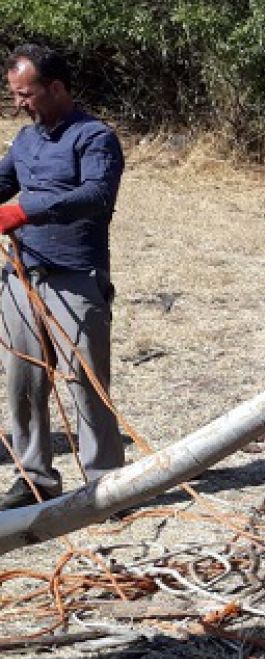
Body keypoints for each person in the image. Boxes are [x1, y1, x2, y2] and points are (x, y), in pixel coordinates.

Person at [0, 44, 125, 511]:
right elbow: (4, 180)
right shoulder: (26, 139)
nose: (19, 104)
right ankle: (35, 477)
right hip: (22, 278)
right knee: (24, 381)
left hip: (76, 277)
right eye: (14, 94)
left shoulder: (95, 137)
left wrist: (23, 210)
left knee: (86, 384)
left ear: (55, 87)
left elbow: (96, 195)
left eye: (26, 94)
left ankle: (108, 485)